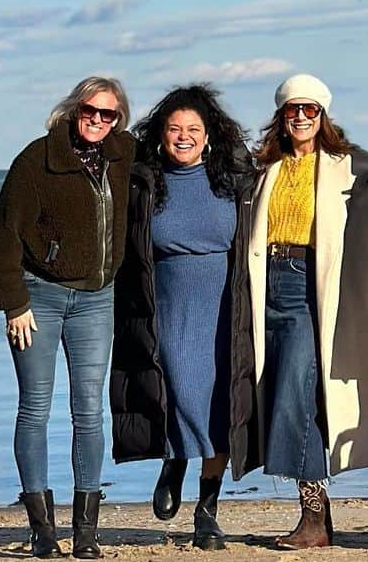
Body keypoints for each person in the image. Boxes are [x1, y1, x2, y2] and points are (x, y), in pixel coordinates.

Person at [248, 73, 368, 549]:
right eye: (293, 109)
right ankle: (314, 517)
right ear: (281, 115)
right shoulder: (264, 166)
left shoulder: (348, 166)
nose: (300, 117)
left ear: (322, 116)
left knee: (298, 396)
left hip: (307, 288)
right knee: (277, 396)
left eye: (309, 110)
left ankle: (314, 517)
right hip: (262, 286)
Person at [0, 76, 135, 560]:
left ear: (119, 118)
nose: (97, 120)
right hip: (39, 300)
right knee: (35, 407)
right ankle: (42, 531)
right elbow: (2, 235)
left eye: (107, 114)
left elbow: (179, 151)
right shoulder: (37, 159)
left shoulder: (124, 156)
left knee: (89, 411)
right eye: (89, 111)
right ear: (74, 110)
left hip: (97, 300)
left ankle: (87, 533)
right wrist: (14, 304)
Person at [110, 85, 258, 550]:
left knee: (220, 405)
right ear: (160, 135)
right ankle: (173, 460)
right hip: (168, 306)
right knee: (176, 390)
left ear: (209, 135)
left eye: (193, 129)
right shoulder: (144, 182)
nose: (184, 136)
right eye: (174, 129)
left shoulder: (232, 181)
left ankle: (207, 509)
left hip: (224, 308)